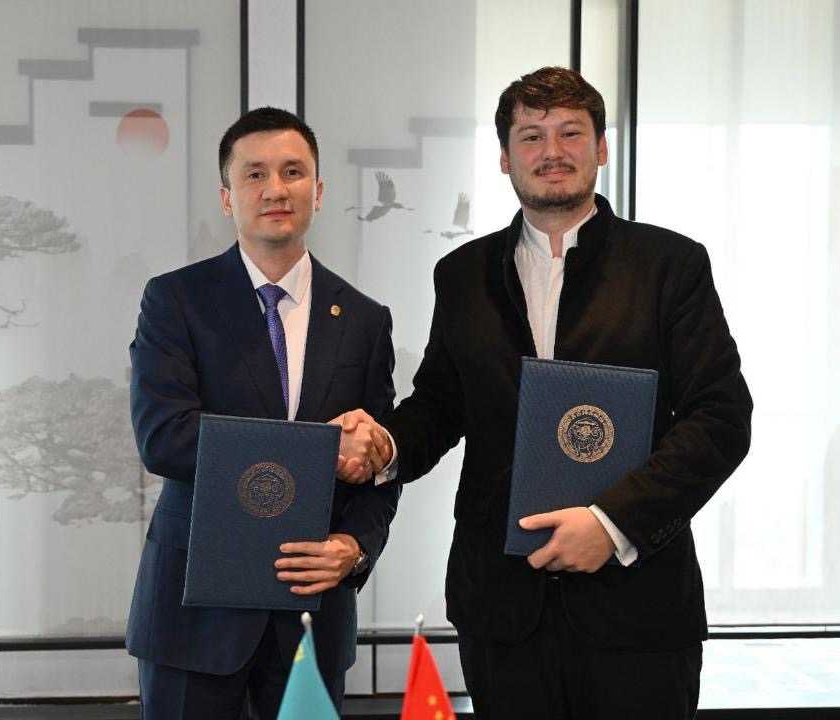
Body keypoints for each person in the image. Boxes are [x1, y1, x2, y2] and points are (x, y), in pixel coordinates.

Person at [341, 67, 752, 718]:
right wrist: (385, 444)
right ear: (505, 158)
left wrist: (612, 524)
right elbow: (441, 405)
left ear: (602, 147)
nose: (551, 151)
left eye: (570, 133)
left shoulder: (670, 266)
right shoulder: (462, 275)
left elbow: (721, 418)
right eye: (531, 136)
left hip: (638, 606)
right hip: (502, 607)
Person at [125, 106, 399, 719]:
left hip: (313, 616)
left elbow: (379, 461)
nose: (275, 189)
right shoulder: (175, 300)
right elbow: (165, 438)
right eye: (254, 174)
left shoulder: (363, 319)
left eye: (292, 172)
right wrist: (323, 449)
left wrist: (356, 547)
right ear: (228, 197)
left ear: (318, 191)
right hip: (194, 615)